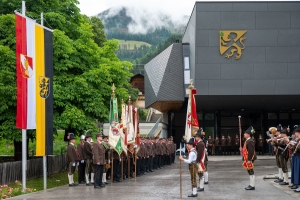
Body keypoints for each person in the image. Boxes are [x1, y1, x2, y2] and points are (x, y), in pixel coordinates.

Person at [240, 126, 257, 190]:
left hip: (249, 158)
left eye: (245, 133)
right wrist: (241, 150)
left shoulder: (250, 141)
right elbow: (245, 150)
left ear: (248, 134)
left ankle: (252, 185)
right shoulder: (247, 141)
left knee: (251, 171)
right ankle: (251, 184)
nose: (244, 134)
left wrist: (249, 159)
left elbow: (251, 151)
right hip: (247, 158)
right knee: (249, 171)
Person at [290, 125, 300, 192]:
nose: (295, 134)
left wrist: (294, 145)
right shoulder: (296, 139)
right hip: (295, 156)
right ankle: (297, 184)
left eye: (296, 132)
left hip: (299, 157)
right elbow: (293, 149)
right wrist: (289, 144)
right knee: (296, 171)